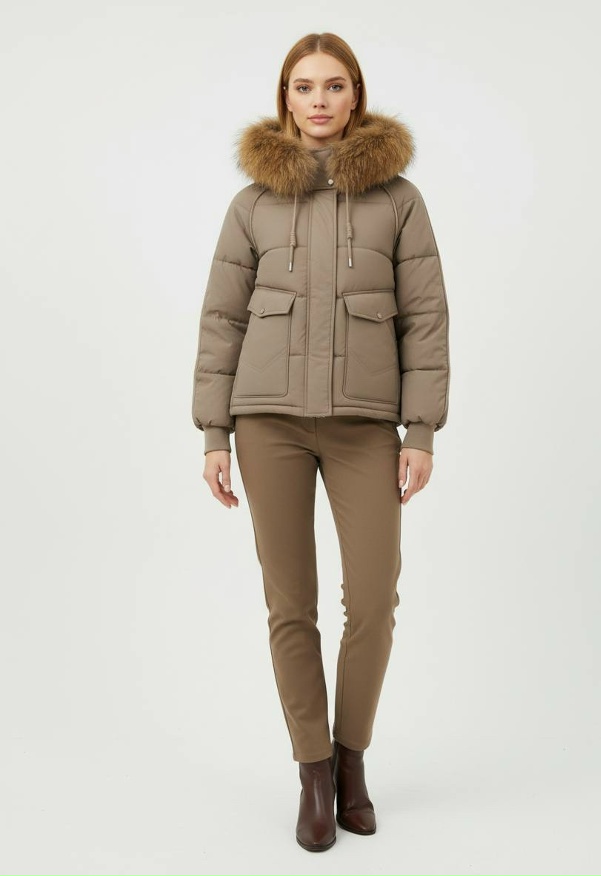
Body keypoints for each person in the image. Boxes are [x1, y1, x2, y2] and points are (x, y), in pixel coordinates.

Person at [191, 32, 451, 852]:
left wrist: (420, 429)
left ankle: (350, 761)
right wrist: (214, 431)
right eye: (303, 87)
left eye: (334, 86)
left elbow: (426, 320)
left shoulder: (399, 200)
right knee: (289, 604)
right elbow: (222, 320)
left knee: (372, 602)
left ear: (356, 95)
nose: (318, 101)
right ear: (286, 98)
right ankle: (311, 772)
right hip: (266, 421)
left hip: (365, 425)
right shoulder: (252, 204)